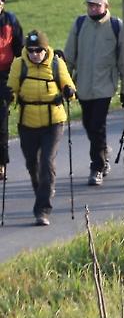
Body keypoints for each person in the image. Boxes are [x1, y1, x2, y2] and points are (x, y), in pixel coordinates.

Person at [6, 30, 75, 225]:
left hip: (53, 122)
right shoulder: (19, 64)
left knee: (46, 162)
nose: (35, 54)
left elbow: (69, 87)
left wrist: (69, 92)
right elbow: (12, 91)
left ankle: (42, 209)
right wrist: (7, 96)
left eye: (39, 50)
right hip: (27, 122)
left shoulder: (56, 64)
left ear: (46, 49)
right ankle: (43, 191)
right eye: (31, 50)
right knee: (31, 164)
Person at [63, 0, 121, 187]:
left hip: (105, 86)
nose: (93, 8)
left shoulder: (116, 26)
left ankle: (96, 167)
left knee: (97, 125)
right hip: (83, 86)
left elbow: (122, 59)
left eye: (97, 4)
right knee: (89, 125)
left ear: (106, 6)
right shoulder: (80, 24)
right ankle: (103, 151)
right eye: (90, 4)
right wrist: (65, 82)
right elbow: (69, 55)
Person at [0, 0, 23, 182]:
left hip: (4, 77)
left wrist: (18, 77)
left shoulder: (10, 21)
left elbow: (19, 49)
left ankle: (1, 164)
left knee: (1, 124)